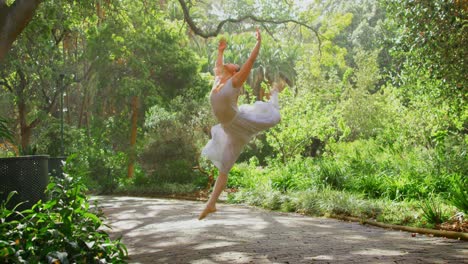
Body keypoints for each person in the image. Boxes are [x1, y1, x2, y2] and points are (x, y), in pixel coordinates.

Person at [199, 28, 282, 220]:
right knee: (224, 167)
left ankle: (275, 96)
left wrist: (258, 42)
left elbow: (250, 62)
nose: (229, 63)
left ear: (235, 71)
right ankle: (211, 204)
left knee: (273, 117)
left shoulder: (235, 81)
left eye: (233, 64)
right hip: (228, 128)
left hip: (240, 122)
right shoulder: (219, 78)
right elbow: (218, 64)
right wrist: (220, 51)